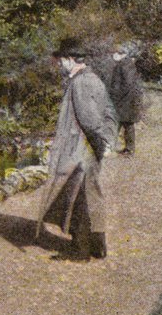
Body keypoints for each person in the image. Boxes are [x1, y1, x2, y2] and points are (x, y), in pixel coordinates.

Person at [35, 37, 119, 259]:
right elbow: (110, 112)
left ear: (71, 60)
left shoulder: (80, 82)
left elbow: (90, 121)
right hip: (90, 148)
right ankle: (97, 247)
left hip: (81, 150)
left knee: (78, 199)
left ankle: (80, 251)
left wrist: (100, 144)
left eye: (62, 60)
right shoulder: (94, 79)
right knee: (91, 196)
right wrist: (108, 142)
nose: (60, 64)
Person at [106, 42, 144, 154]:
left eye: (114, 53)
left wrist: (115, 98)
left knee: (119, 124)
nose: (113, 56)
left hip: (124, 102)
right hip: (127, 102)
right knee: (126, 125)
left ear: (119, 53)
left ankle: (111, 148)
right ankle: (128, 149)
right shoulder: (126, 64)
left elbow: (126, 85)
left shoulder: (124, 65)